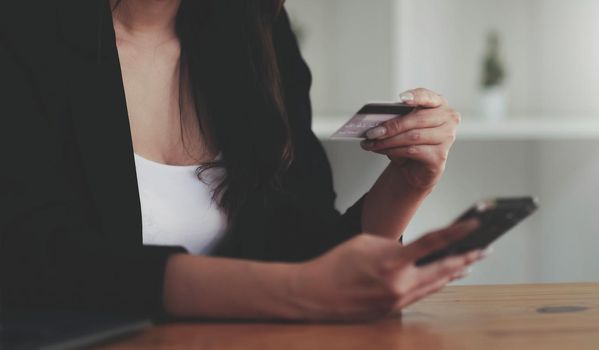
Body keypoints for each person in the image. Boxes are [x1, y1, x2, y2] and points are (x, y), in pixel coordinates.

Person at [0, 0, 483, 322]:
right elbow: (38, 263)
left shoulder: (256, 30)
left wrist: (405, 184)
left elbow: (307, 249)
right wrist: (297, 289)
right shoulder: (21, 35)